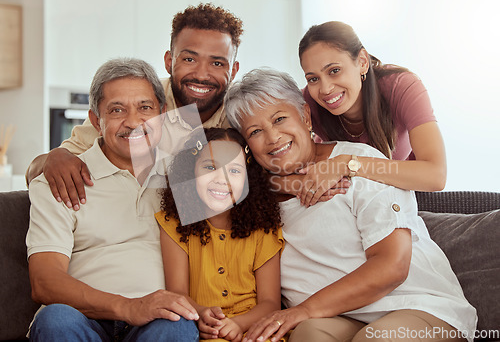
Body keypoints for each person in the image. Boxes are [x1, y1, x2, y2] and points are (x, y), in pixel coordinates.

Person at [224, 68, 477, 342]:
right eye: (256, 131)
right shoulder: (249, 196)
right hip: (342, 317)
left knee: (375, 339)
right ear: (246, 144)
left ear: (305, 116)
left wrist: (303, 310)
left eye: (280, 118)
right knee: (308, 335)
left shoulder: (359, 162)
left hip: (420, 307)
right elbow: (191, 183)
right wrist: (285, 183)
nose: (272, 137)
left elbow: (392, 267)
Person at [26, 58, 199, 341]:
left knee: (178, 324)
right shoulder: (59, 180)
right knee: (55, 319)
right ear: (96, 120)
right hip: (81, 319)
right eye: (117, 110)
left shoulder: (187, 178)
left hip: (159, 323)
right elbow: (44, 282)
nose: (133, 122)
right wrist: (128, 307)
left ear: (162, 113)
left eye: (145, 108)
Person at [25, 3, 243, 211]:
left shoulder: (241, 115)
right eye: (189, 59)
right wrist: (54, 158)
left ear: (233, 70)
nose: (201, 74)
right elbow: (39, 169)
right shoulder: (141, 100)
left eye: (217, 63)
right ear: (169, 61)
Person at [281, 21, 446, 207]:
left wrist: (346, 164)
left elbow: (436, 175)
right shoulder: (309, 102)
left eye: (334, 71)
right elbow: (264, 163)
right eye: (313, 78)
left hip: (405, 198)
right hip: (343, 201)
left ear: (362, 62)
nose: (325, 89)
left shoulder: (401, 86)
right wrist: (299, 183)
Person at [156, 127, 284, 342]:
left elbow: (270, 303)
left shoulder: (264, 227)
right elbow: (178, 293)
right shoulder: (174, 224)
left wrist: (239, 324)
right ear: (191, 171)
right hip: (205, 330)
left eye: (234, 170)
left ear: (248, 179)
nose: (221, 179)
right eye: (210, 167)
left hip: (255, 331)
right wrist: (202, 314)